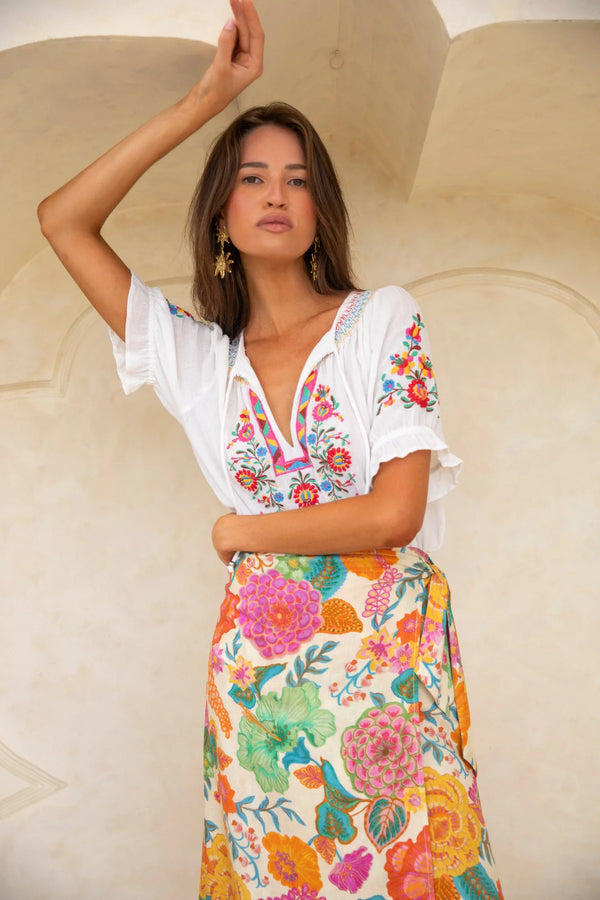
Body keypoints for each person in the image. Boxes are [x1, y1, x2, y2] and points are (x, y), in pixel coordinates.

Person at [38, 1, 503, 898]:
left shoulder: (381, 322)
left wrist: (240, 530)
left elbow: (395, 513)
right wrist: (207, 101)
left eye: (296, 179)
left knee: (418, 874)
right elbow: (63, 220)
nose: (277, 195)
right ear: (221, 211)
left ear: (321, 208)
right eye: (251, 178)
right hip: (263, 696)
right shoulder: (197, 362)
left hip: (389, 673)